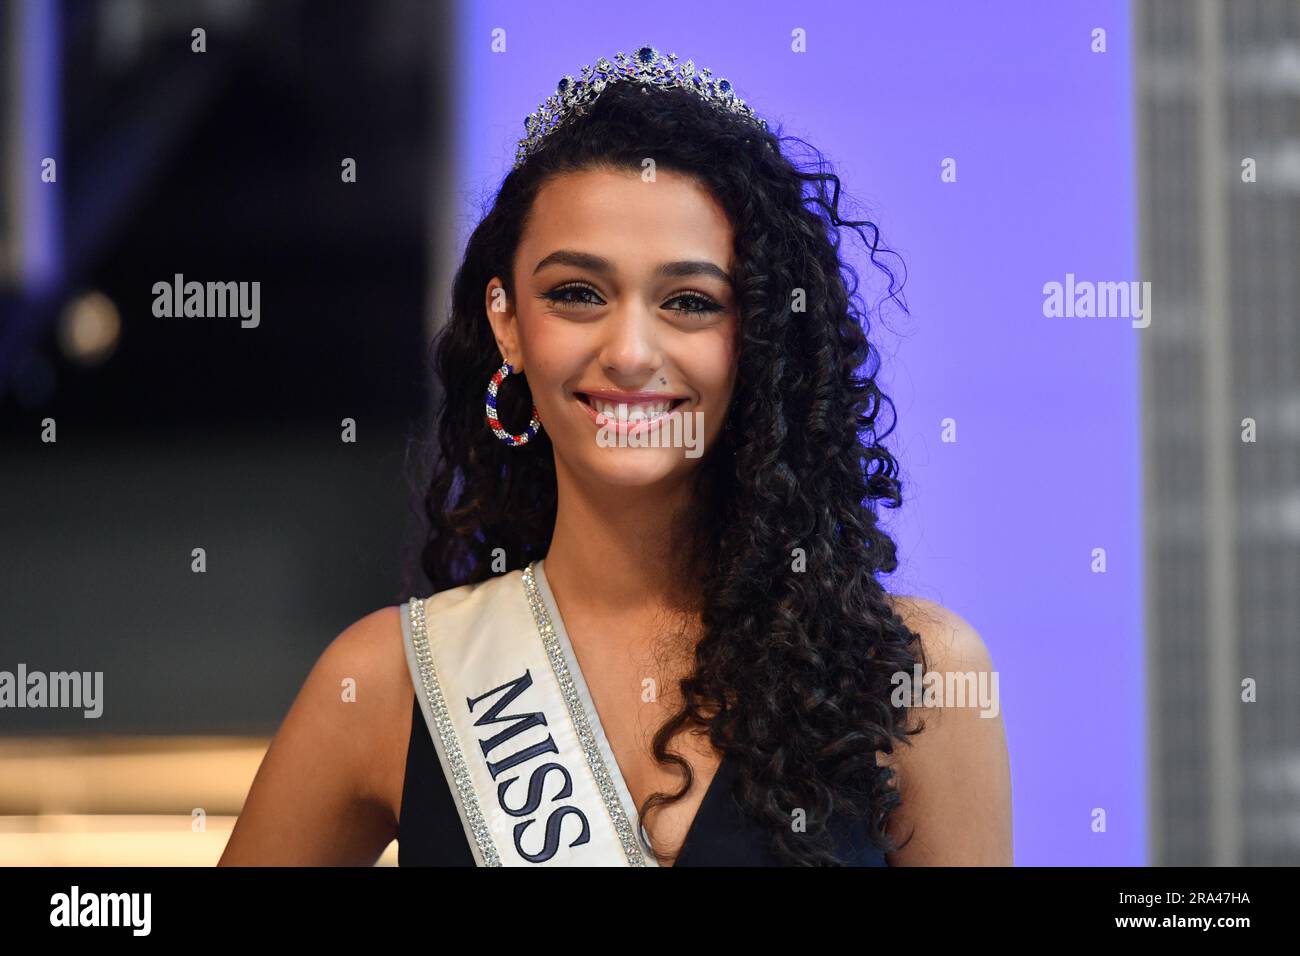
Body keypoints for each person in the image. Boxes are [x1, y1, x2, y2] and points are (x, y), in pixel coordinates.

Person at [219, 45, 1011, 867]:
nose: (631, 351)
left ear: (760, 340)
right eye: (577, 293)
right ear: (508, 322)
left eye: (690, 303)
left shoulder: (912, 674)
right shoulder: (387, 682)